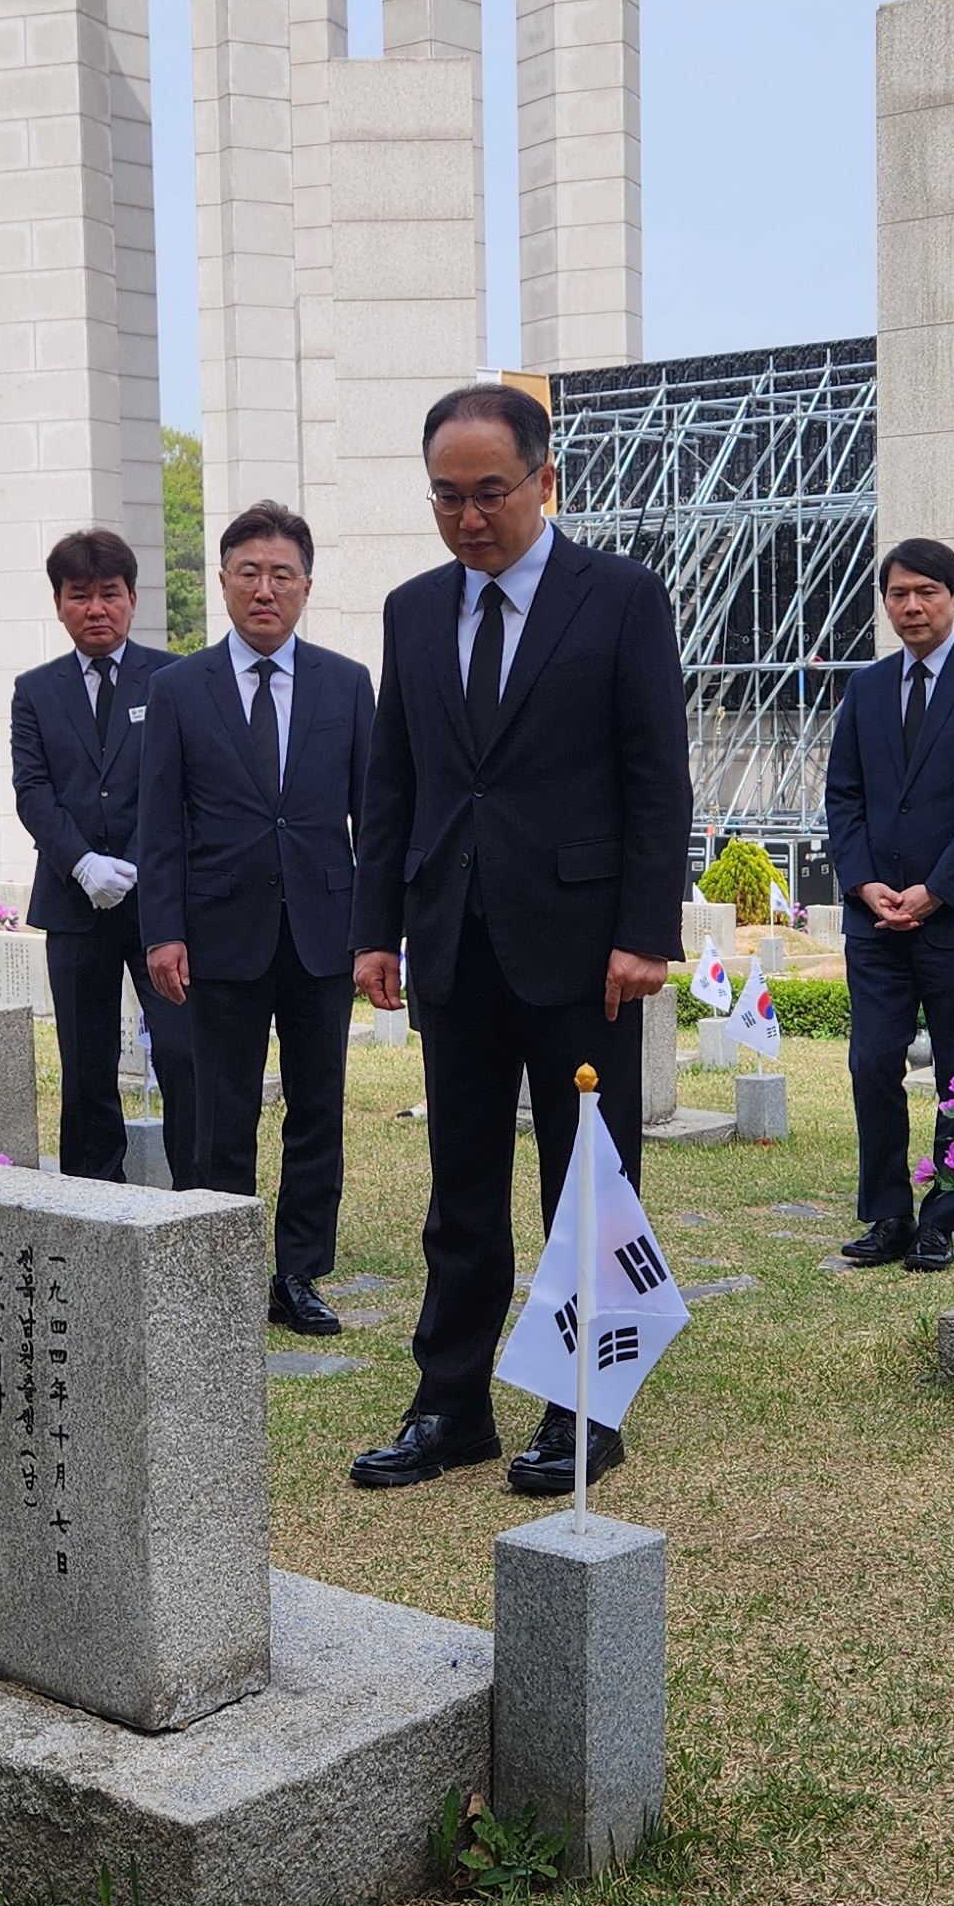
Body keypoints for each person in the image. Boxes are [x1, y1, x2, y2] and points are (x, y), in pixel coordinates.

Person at [351, 382, 692, 1495]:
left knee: (585, 1188)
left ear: (545, 479)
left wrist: (645, 931)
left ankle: (584, 1408)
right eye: (445, 496)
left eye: (489, 492)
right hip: (453, 941)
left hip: (586, 951)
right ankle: (449, 1405)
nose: (467, 517)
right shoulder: (412, 610)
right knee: (459, 1191)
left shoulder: (621, 598)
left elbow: (657, 777)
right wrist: (375, 928)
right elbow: (393, 782)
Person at [136, 504, 371, 1334]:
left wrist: (376, 932)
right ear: (224, 580)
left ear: (306, 586)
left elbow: (373, 819)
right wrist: (162, 931)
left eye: (282, 575)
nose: (265, 590)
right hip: (217, 934)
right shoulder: (177, 690)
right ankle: (220, 1272)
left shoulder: (347, 684)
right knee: (220, 1112)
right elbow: (158, 823)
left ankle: (299, 1273)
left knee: (317, 1110)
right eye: (250, 573)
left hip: (322, 933)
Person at [822, 537, 954, 1274]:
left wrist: (935, 890)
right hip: (876, 917)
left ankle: (946, 1213)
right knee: (872, 1060)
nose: (911, 606)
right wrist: (861, 882)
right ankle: (887, 1213)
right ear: (885, 602)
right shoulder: (866, 688)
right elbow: (843, 795)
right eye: (898, 594)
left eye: (927, 592)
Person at [9, 525, 197, 1188]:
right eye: (79, 595)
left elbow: (188, 786)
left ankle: (197, 1195)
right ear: (59, 603)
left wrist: (142, 863)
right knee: (86, 1064)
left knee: (183, 1054)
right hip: (73, 902)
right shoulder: (35, 690)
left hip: (161, 908)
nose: (96, 609)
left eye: (109, 594)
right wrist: (82, 862)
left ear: (133, 599)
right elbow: (32, 790)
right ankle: (95, 1201)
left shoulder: (176, 677)